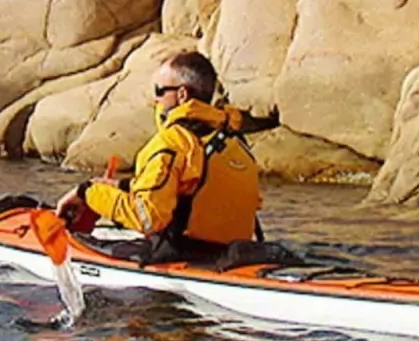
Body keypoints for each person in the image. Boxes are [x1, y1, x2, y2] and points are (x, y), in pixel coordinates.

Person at [55, 51, 278, 252]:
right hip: (233, 255)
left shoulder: (172, 143)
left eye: (159, 91)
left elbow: (147, 218)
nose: (155, 99)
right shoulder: (235, 141)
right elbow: (189, 188)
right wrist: (121, 186)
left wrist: (88, 192)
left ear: (182, 94)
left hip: (183, 256)